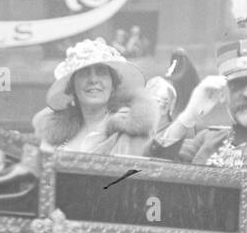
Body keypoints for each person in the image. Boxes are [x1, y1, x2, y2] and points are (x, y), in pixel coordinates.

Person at [149, 42, 247, 165]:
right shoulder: (206, 140)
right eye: (237, 85)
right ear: (222, 94)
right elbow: (155, 166)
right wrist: (189, 116)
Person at [31, 38, 159, 156]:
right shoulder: (55, 134)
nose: (93, 80)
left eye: (101, 73)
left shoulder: (129, 132)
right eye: (85, 73)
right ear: (72, 86)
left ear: (113, 84)